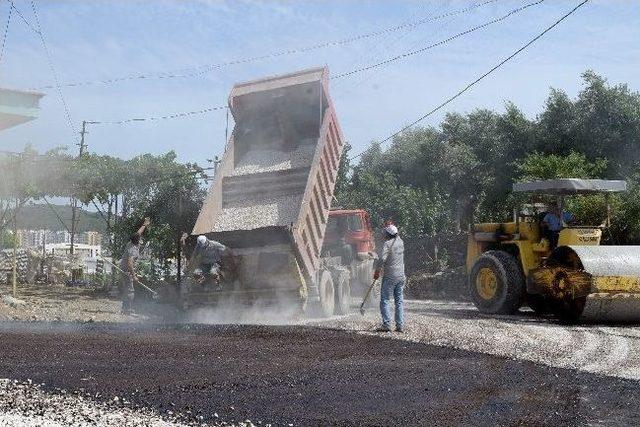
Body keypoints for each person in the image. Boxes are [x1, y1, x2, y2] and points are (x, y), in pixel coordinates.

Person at [374, 222, 405, 333]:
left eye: (385, 233)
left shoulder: (387, 244)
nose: (383, 234)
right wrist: (391, 227)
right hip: (401, 276)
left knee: (385, 300)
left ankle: (387, 324)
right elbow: (396, 235)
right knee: (399, 301)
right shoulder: (401, 242)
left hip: (390, 276)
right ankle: (400, 325)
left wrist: (377, 271)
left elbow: (382, 259)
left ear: (387, 234)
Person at [119, 217, 150, 315]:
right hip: (126, 270)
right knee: (130, 290)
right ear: (137, 241)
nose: (141, 239)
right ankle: (128, 310)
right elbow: (130, 263)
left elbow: (138, 233)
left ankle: (124, 308)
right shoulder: (132, 249)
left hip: (126, 269)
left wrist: (144, 225)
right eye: (140, 239)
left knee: (127, 289)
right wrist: (134, 275)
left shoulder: (132, 242)